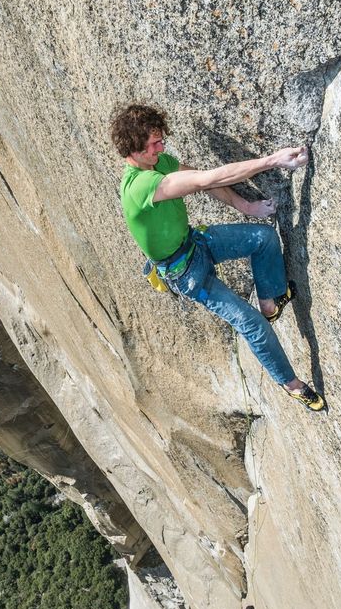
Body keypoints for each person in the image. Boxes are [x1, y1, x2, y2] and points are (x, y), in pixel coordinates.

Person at [111, 103, 324, 411]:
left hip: (195, 244)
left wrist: (245, 207)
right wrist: (271, 161)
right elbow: (203, 181)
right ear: (134, 148)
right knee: (251, 325)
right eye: (154, 143)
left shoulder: (159, 164)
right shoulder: (140, 186)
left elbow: (206, 181)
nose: (162, 146)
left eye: (160, 140)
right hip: (185, 273)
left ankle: (270, 302)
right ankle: (291, 384)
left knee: (263, 238)